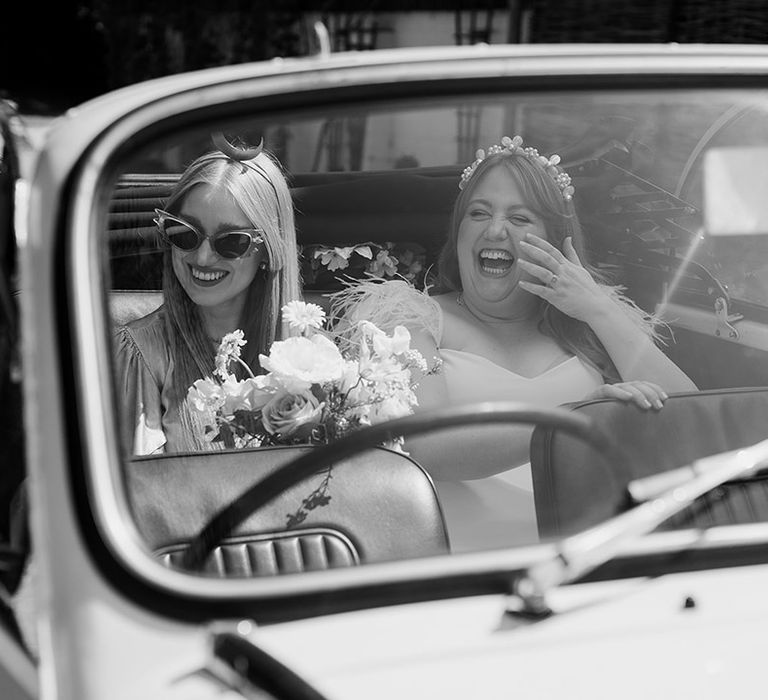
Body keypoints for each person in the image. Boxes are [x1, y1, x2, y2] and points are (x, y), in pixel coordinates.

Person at [330, 134, 697, 551]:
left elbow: (690, 415)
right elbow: (422, 447)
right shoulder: (412, 318)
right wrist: (572, 421)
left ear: (557, 242)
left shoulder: (589, 325)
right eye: (478, 213)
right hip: (462, 569)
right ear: (458, 231)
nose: (496, 229)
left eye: (520, 219)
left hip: (588, 562)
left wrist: (598, 306)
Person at [113, 136, 301, 455]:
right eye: (184, 234)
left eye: (232, 243)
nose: (202, 258)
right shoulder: (143, 355)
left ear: (268, 250)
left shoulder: (314, 355)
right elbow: (138, 492)